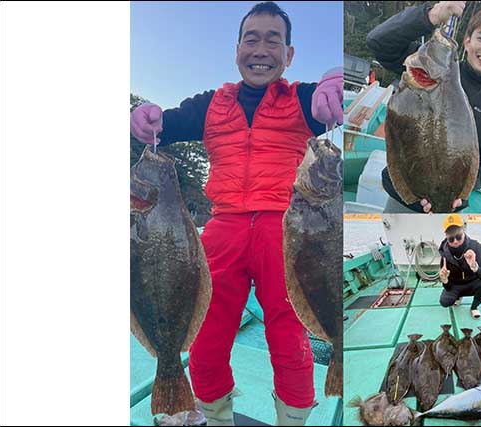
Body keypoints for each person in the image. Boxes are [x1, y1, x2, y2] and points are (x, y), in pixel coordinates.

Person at [129, 2, 343, 425]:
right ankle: (216, 415)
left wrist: (335, 85)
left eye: (273, 40)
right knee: (206, 334)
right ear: (237, 48)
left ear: (289, 54)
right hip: (221, 227)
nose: (261, 49)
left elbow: (336, 113)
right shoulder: (209, 105)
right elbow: (161, 127)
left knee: (288, 336)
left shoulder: (303, 99)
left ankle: (293, 419)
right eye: (251, 38)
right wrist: (142, 121)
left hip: (286, 229)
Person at [366, 1, 481, 213]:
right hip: (403, 200)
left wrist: (459, 192)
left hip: (450, 204)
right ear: (467, 41)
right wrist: (432, 16)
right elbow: (378, 42)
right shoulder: (427, 68)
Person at [438, 214, 481, 319]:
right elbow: (447, 287)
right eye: (451, 239)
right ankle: (458, 297)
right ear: (446, 238)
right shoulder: (444, 254)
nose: (456, 241)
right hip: (455, 285)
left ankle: (474, 307)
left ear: (464, 232)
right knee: (444, 302)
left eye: (458, 237)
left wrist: (474, 267)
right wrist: (444, 280)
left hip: (472, 283)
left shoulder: (475, 246)